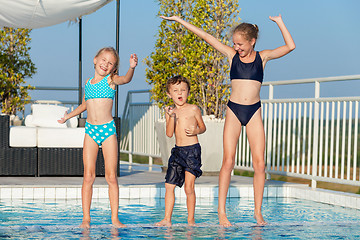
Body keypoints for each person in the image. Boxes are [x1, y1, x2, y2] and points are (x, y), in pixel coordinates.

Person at [160, 14, 295, 226]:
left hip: (254, 111)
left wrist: (279, 22)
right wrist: (179, 20)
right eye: (234, 43)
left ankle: (258, 212)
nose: (236, 47)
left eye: (240, 44)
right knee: (228, 161)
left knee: (259, 164)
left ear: (252, 42)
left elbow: (290, 46)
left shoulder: (263, 57)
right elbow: (205, 36)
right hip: (233, 110)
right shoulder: (232, 56)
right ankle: (222, 212)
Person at [58, 47, 138, 228]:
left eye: (110, 63)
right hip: (91, 131)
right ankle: (86, 219)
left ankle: (115, 218)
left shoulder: (111, 80)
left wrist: (131, 67)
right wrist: (68, 117)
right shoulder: (88, 82)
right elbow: (85, 104)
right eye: (103, 60)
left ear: (113, 68)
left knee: (111, 177)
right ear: (95, 60)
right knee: (88, 176)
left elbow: (125, 79)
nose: (105, 64)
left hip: (108, 131)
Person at [155, 75, 206, 227]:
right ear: (169, 94)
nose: (180, 93)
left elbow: (203, 127)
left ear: (188, 93)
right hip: (177, 152)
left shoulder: (193, 109)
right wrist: (170, 117)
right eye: (176, 90)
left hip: (192, 151)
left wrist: (196, 129)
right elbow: (169, 133)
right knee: (168, 185)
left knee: (189, 187)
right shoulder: (172, 111)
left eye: (183, 90)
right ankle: (167, 219)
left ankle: (191, 219)